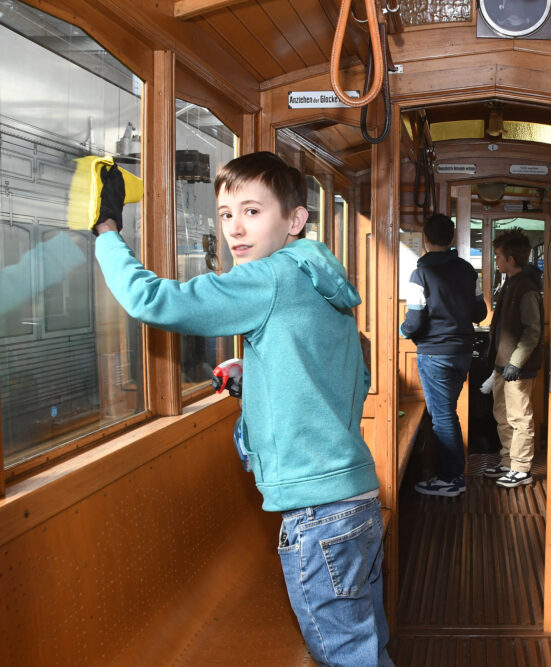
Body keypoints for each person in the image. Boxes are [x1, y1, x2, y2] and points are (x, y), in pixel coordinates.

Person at [91, 152, 392, 667]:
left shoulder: (267, 277)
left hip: (316, 513)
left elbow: (153, 301)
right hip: (356, 501)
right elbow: (346, 375)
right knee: (368, 644)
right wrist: (256, 376)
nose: (235, 229)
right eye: (226, 214)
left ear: (294, 219)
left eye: (253, 212)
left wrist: (106, 231)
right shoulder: (317, 275)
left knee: (345, 657)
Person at [400, 213, 487, 497]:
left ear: (425, 239)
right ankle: (452, 475)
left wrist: (403, 331)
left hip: (434, 354)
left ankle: (451, 479)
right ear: (451, 239)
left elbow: (414, 322)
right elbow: (480, 313)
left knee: (443, 417)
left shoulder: (419, 274)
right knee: (447, 414)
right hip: (462, 352)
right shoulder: (467, 270)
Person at [483, 229, 544, 488]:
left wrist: (515, 363)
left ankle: (521, 468)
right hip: (503, 364)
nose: (496, 261)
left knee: (519, 417)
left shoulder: (527, 287)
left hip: (516, 367)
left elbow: (533, 331)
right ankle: (508, 461)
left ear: (510, 258)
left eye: (498, 256)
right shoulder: (510, 282)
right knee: (502, 414)